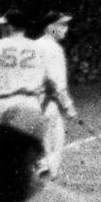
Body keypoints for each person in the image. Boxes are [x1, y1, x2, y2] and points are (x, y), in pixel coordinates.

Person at [0, 10, 50, 130]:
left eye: (3, 26)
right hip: (30, 103)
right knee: (22, 146)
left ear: (10, 27)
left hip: (2, 102)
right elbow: (46, 80)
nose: (1, 29)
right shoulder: (39, 48)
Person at [34, 11, 78, 179]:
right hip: (47, 103)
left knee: (42, 145)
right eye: (62, 25)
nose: (65, 29)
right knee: (54, 146)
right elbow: (57, 83)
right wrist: (68, 106)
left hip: (32, 102)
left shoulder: (35, 45)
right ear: (51, 27)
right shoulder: (54, 49)